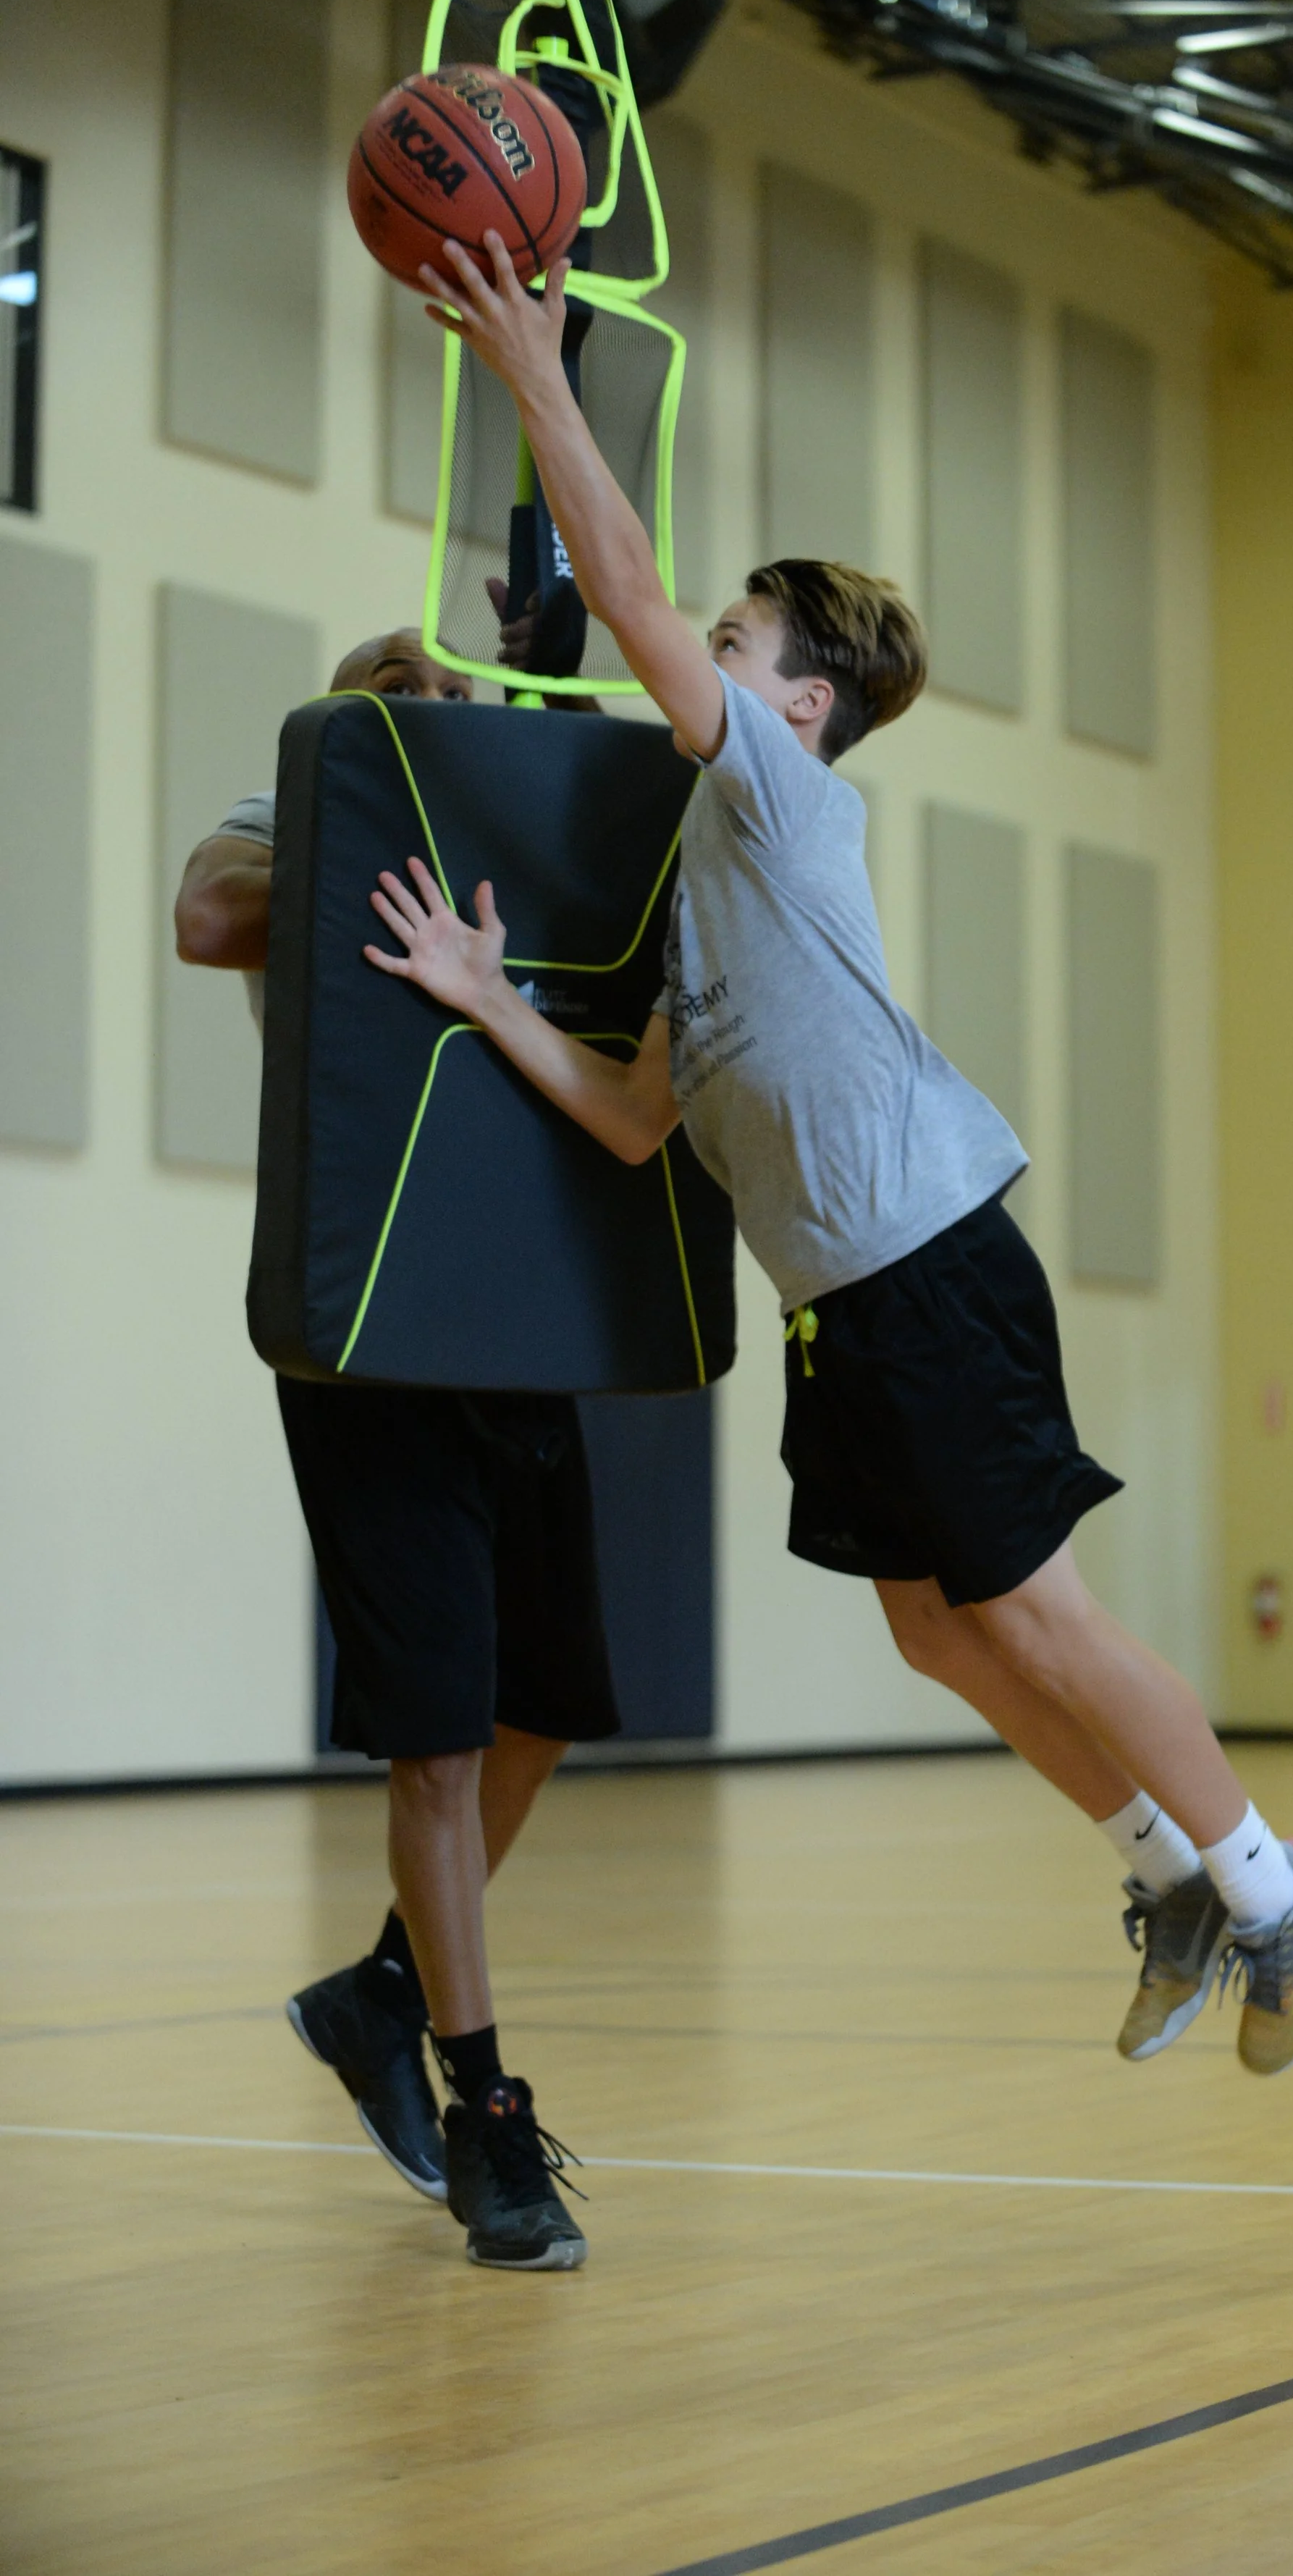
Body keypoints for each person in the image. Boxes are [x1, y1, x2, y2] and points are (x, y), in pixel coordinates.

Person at [368, 231, 1293, 2084]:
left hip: (925, 1262)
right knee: (929, 1629)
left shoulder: (774, 790)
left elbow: (632, 591)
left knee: (1035, 1612)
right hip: (844, 1305)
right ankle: (1163, 1868)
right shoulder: (703, 892)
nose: (701, 655)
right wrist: (489, 998)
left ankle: (1274, 1877)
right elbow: (637, 1117)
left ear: (793, 704)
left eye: (734, 649)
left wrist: (534, 369)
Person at [174, 625, 597, 2271]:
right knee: (431, 1737)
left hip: (523, 1319)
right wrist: (390, 856)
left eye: (459, 695)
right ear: (346, 724)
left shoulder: (525, 846)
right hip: (366, 1328)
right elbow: (209, 916)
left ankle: (377, 1994)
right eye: (397, 689)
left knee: (542, 1707)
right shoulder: (297, 808)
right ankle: (486, 2113)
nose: (434, 706)